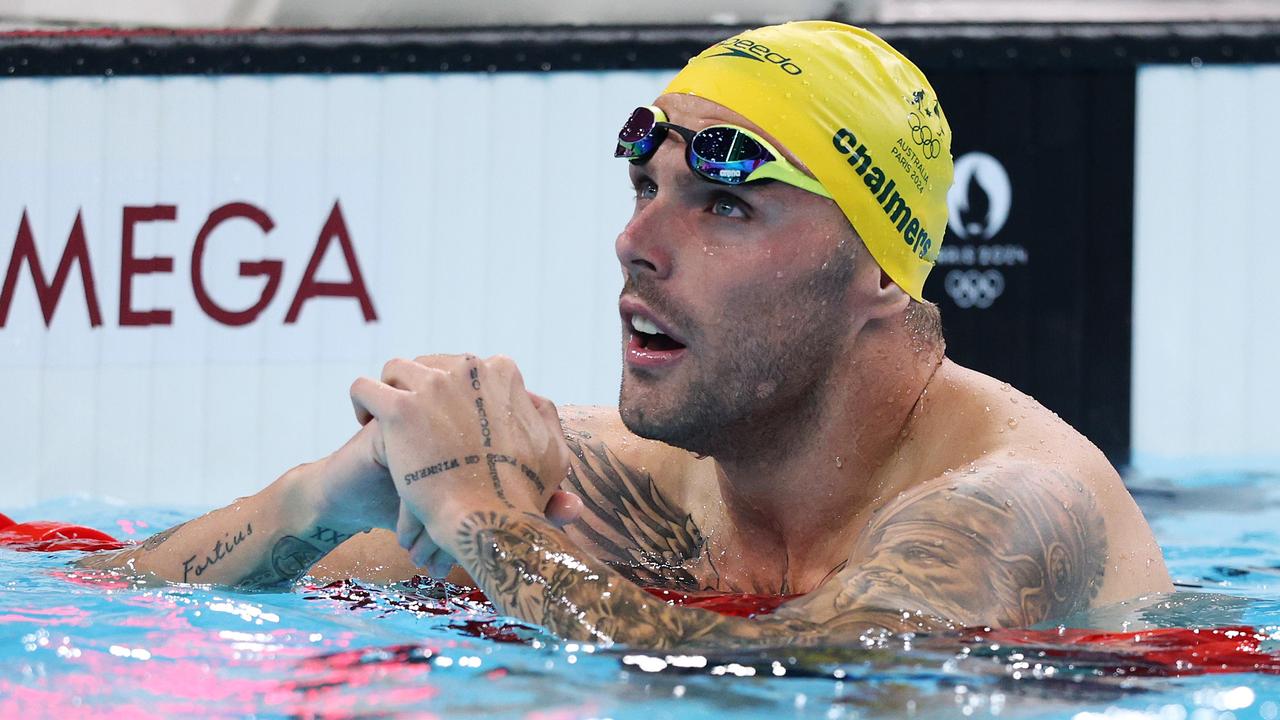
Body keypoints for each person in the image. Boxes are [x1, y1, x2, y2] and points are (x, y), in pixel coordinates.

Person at [81, 21, 1171, 649]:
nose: (634, 241)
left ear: (879, 272)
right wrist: (313, 504)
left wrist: (479, 518)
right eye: (642, 186)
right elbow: (111, 599)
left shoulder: (1012, 502)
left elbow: (828, 680)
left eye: (723, 205)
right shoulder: (614, 481)